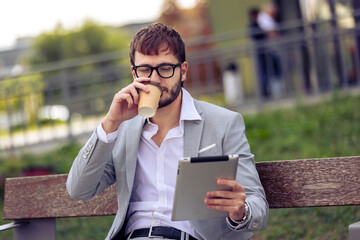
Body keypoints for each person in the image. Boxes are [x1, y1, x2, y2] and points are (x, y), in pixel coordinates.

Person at [66, 23, 268, 240]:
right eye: (145, 69)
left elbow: (257, 205)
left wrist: (241, 211)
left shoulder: (223, 123)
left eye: (165, 68)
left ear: (182, 71)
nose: (155, 79)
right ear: (134, 73)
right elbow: (79, 189)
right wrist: (110, 123)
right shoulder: (122, 128)